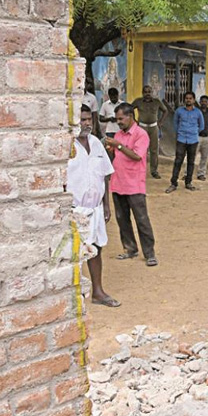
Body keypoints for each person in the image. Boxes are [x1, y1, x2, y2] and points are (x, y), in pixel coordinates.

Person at [67, 105, 120, 307]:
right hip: (73, 209)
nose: (87, 123)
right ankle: (71, 296)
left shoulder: (96, 143)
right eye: (82, 120)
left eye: (89, 119)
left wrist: (106, 206)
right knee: (72, 253)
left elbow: (105, 175)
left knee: (95, 248)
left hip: (95, 208)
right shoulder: (67, 146)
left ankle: (98, 291)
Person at [104, 103, 158, 267]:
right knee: (122, 219)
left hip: (134, 184)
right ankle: (130, 248)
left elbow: (136, 156)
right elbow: (115, 154)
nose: (118, 122)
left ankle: (149, 253)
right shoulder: (119, 135)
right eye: (117, 119)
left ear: (130, 117)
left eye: (121, 118)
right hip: (118, 182)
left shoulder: (141, 134)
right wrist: (111, 149)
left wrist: (117, 145)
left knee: (141, 219)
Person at [167, 91, 205, 192]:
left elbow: (201, 126)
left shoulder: (198, 112)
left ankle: (188, 182)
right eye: (187, 98)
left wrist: (194, 132)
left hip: (193, 140)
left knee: (191, 162)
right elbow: (175, 123)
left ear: (193, 100)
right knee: (178, 161)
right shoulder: (179, 111)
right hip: (181, 139)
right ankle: (173, 183)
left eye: (190, 98)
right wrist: (180, 132)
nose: (188, 100)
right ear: (184, 100)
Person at [131, 85, 168, 179]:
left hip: (153, 128)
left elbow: (165, 111)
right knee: (141, 150)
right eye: (146, 92)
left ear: (152, 92)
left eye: (149, 91)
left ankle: (154, 171)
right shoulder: (138, 101)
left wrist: (160, 122)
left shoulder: (157, 102)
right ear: (143, 93)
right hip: (141, 128)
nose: (148, 94)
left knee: (154, 150)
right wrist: (134, 121)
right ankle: (140, 170)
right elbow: (129, 109)